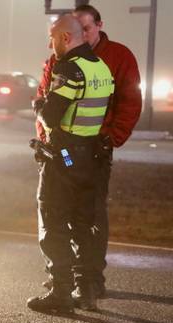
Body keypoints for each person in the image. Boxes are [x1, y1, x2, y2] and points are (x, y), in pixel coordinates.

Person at [36, 5, 142, 304]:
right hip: (82, 155)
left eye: (87, 28)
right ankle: (80, 284)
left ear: (97, 26)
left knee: (55, 215)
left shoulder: (99, 60)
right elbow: (46, 92)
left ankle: (71, 284)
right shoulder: (95, 64)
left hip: (73, 155)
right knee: (84, 218)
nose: (83, 33)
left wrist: (112, 139)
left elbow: (49, 109)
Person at [27, 14, 114, 313]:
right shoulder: (100, 67)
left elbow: (51, 116)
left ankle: (60, 294)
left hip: (65, 157)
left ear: (65, 37)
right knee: (83, 224)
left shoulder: (69, 69)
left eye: (52, 37)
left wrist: (38, 104)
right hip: (90, 158)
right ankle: (86, 288)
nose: (50, 44)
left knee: (52, 220)